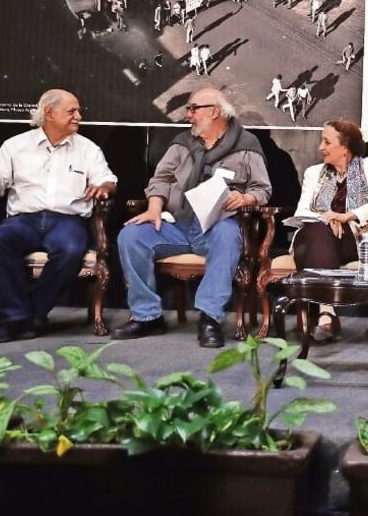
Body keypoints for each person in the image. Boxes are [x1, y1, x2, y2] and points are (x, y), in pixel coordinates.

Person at [113, 88, 272, 348]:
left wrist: (245, 199)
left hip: (216, 224)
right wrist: (154, 208)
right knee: (131, 236)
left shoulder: (247, 145)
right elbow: (161, 178)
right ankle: (146, 315)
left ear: (215, 111)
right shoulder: (181, 142)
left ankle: (210, 318)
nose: (188, 115)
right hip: (177, 223)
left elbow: (262, 189)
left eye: (193, 108)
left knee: (229, 235)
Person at [0, 90, 116, 343]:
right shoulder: (15, 145)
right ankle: (18, 316)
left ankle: (23, 318)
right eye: (72, 111)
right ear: (49, 113)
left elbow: (107, 179)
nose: (78, 116)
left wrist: (104, 188)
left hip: (67, 221)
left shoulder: (88, 149)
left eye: (78, 111)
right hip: (24, 220)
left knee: (70, 248)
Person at [290, 120, 368, 341]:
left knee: (309, 246)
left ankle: (322, 312)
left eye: (327, 142)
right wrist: (328, 218)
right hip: (313, 234)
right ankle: (326, 311)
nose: (320, 147)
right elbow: (301, 210)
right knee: (319, 231)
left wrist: (348, 216)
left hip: (354, 240)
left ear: (345, 147)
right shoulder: (313, 172)